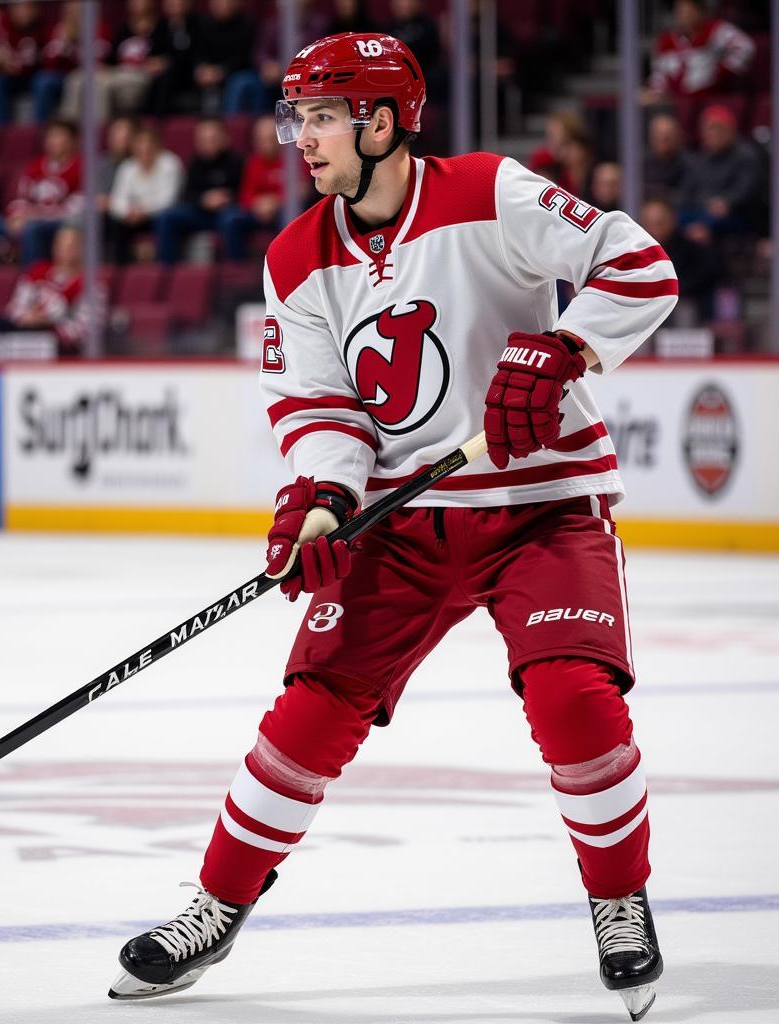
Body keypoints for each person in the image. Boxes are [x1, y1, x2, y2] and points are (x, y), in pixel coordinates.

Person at [109, 34, 675, 1022]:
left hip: (539, 506)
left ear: (379, 121)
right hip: (403, 523)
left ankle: (619, 900)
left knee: (574, 699)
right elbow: (319, 403)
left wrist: (565, 346)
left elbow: (637, 261)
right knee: (306, 716)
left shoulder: (488, 192)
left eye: (320, 118)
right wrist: (325, 497)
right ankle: (214, 906)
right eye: (296, 119)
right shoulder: (297, 253)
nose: (301, 139)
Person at [0, 119, 81, 267]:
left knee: (31, 229)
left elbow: (76, 208)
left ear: (72, 141)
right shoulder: (35, 167)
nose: (54, 141)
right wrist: (16, 216)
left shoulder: (81, 167)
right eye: (51, 136)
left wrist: (38, 214)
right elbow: (20, 199)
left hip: (56, 223)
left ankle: (30, 279)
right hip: (28, 219)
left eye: (59, 136)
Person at [0, 224, 94, 356]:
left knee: (43, 340)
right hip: (26, 330)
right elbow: (15, 307)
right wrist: (28, 318)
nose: (65, 249)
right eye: (61, 243)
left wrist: (48, 325)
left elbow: (85, 327)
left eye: (71, 245)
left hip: (55, 340)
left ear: (81, 248)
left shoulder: (89, 284)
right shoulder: (37, 272)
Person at [153, 117, 244, 263]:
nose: (207, 144)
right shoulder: (195, 163)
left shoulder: (236, 162)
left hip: (227, 211)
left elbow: (245, 192)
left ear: (224, 138)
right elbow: (187, 194)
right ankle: (167, 270)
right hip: (201, 212)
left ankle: (235, 270)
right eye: (203, 139)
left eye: (212, 139)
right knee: (167, 217)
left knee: (231, 220)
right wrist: (203, 199)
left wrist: (227, 198)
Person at [677, 104, 764, 241]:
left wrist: (726, 202)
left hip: (733, 214)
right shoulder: (700, 159)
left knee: (715, 218)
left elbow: (745, 191)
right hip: (700, 211)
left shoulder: (746, 156)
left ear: (731, 130)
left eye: (717, 128)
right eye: (708, 129)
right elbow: (685, 192)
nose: (712, 133)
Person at [645, 0, 755, 107]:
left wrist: (721, 72)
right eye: (679, 10)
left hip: (709, 102)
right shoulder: (666, 41)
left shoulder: (715, 30)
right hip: (676, 106)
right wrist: (656, 94)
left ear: (699, 11)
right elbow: (658, 77)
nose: (683, 14)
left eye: (688, 9)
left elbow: (745, 46)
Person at [107, 126, 184, 263]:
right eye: (140, 148)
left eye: (149, 147)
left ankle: (166, 267)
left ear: (158, 147)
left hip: (159, 215)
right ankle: (119, 271)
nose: (144, 151)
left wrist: (143, 211)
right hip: (133, 217)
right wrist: (127, 212)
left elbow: (168, 200)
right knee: (114, 224)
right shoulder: (127, 167)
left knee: (166, 220)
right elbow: (117, 200)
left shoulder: (170, 164)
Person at [641, 197, 721, 323]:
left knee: (684, 308)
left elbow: (706, 276)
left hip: (684, 308)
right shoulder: (636, 251)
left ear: (672, 221)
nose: (654, 229)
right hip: (648, 308)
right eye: (649, 224)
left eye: (659, 223)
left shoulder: (691, 248)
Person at [216, 114, 283, 260]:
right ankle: (237, 267)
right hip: (257, 211)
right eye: (261, 139)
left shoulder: (293, 159)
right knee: (230, 218)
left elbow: (300, 191)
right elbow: (245, 195)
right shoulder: (253, 162)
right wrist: (257, 205)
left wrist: (275, 202)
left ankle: (287, 261)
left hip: (281, 211)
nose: (266, 143)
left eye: (270, 138)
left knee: (292, 217)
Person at [643, 112, 694, 204]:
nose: (663, 138)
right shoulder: (641, 163)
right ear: (651, 137)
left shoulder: (689, 164)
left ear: (678, 136)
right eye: (658, 135)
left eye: (668, 136)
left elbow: (687, 196)